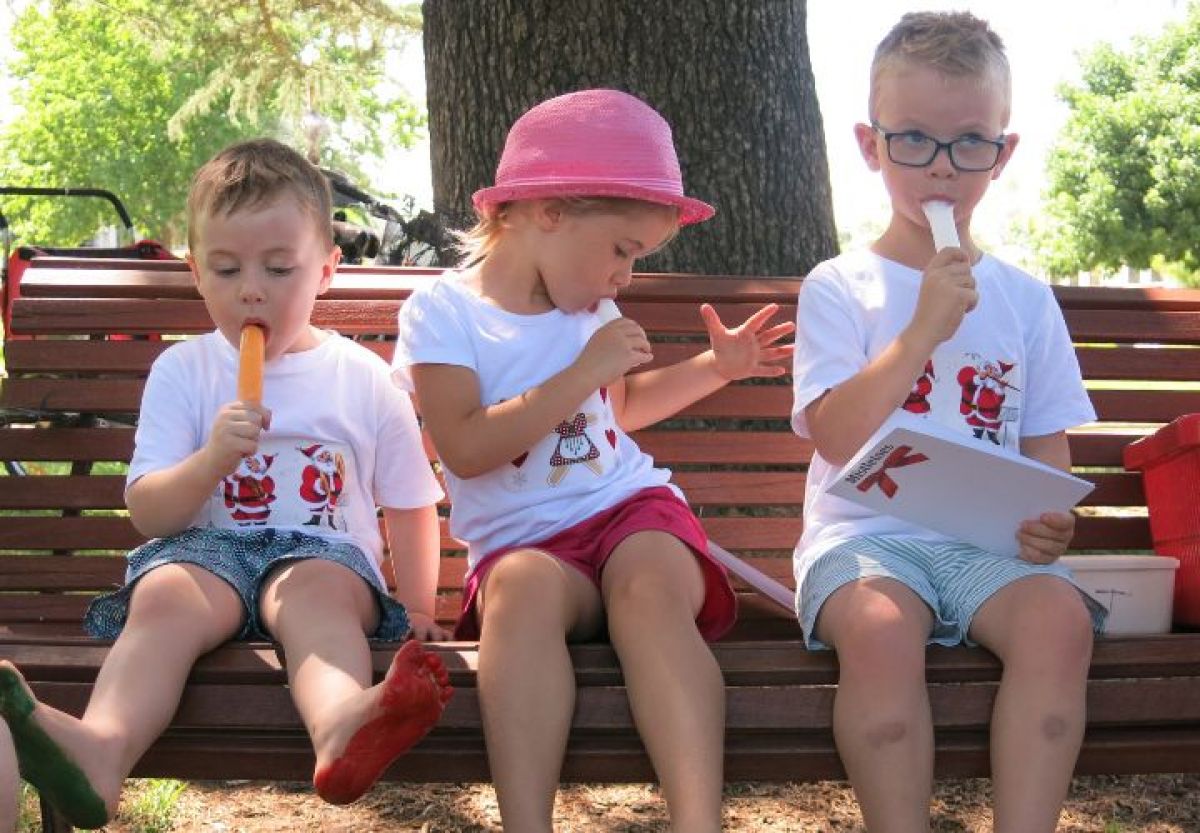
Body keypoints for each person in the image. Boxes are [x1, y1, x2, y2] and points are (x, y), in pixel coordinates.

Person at [0, 138, 452, 829]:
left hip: (320, 557)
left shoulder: (360, 378)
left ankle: (340, 726)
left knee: (313, 596)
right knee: (162, 599)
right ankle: (102, 749)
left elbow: (412, 500)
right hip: (205, 556)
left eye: (278, 268)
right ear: (195, 274)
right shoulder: (184, 373)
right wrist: (211, 457)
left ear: (326, 271)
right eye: (227, 267)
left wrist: (418, 603)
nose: (251, 288)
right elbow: (149, 511)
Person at [393, 88, 793, 833]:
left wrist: (716, 366)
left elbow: (620, 411)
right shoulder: (443, 313)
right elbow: (467, 448)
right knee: (517, 591)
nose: (624, 278)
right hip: (525, 544)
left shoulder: (592, 312)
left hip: (629, 511)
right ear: (548, 208)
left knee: (646, 590)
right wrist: (579, 372)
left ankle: (698, 823)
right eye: (621, 249)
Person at [790, 12, 1108, 833]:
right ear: (871, 145)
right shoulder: (840, 284)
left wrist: (1049, 521)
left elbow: (1044, 449)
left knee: (1060, 619)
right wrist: (922, 328)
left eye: (969, 142)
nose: (941, 168)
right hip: (863, 540)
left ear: (1001, 154)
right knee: (882, 629)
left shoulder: (1026, 300)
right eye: (915, 141)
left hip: (983, 548)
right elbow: (832, 434)